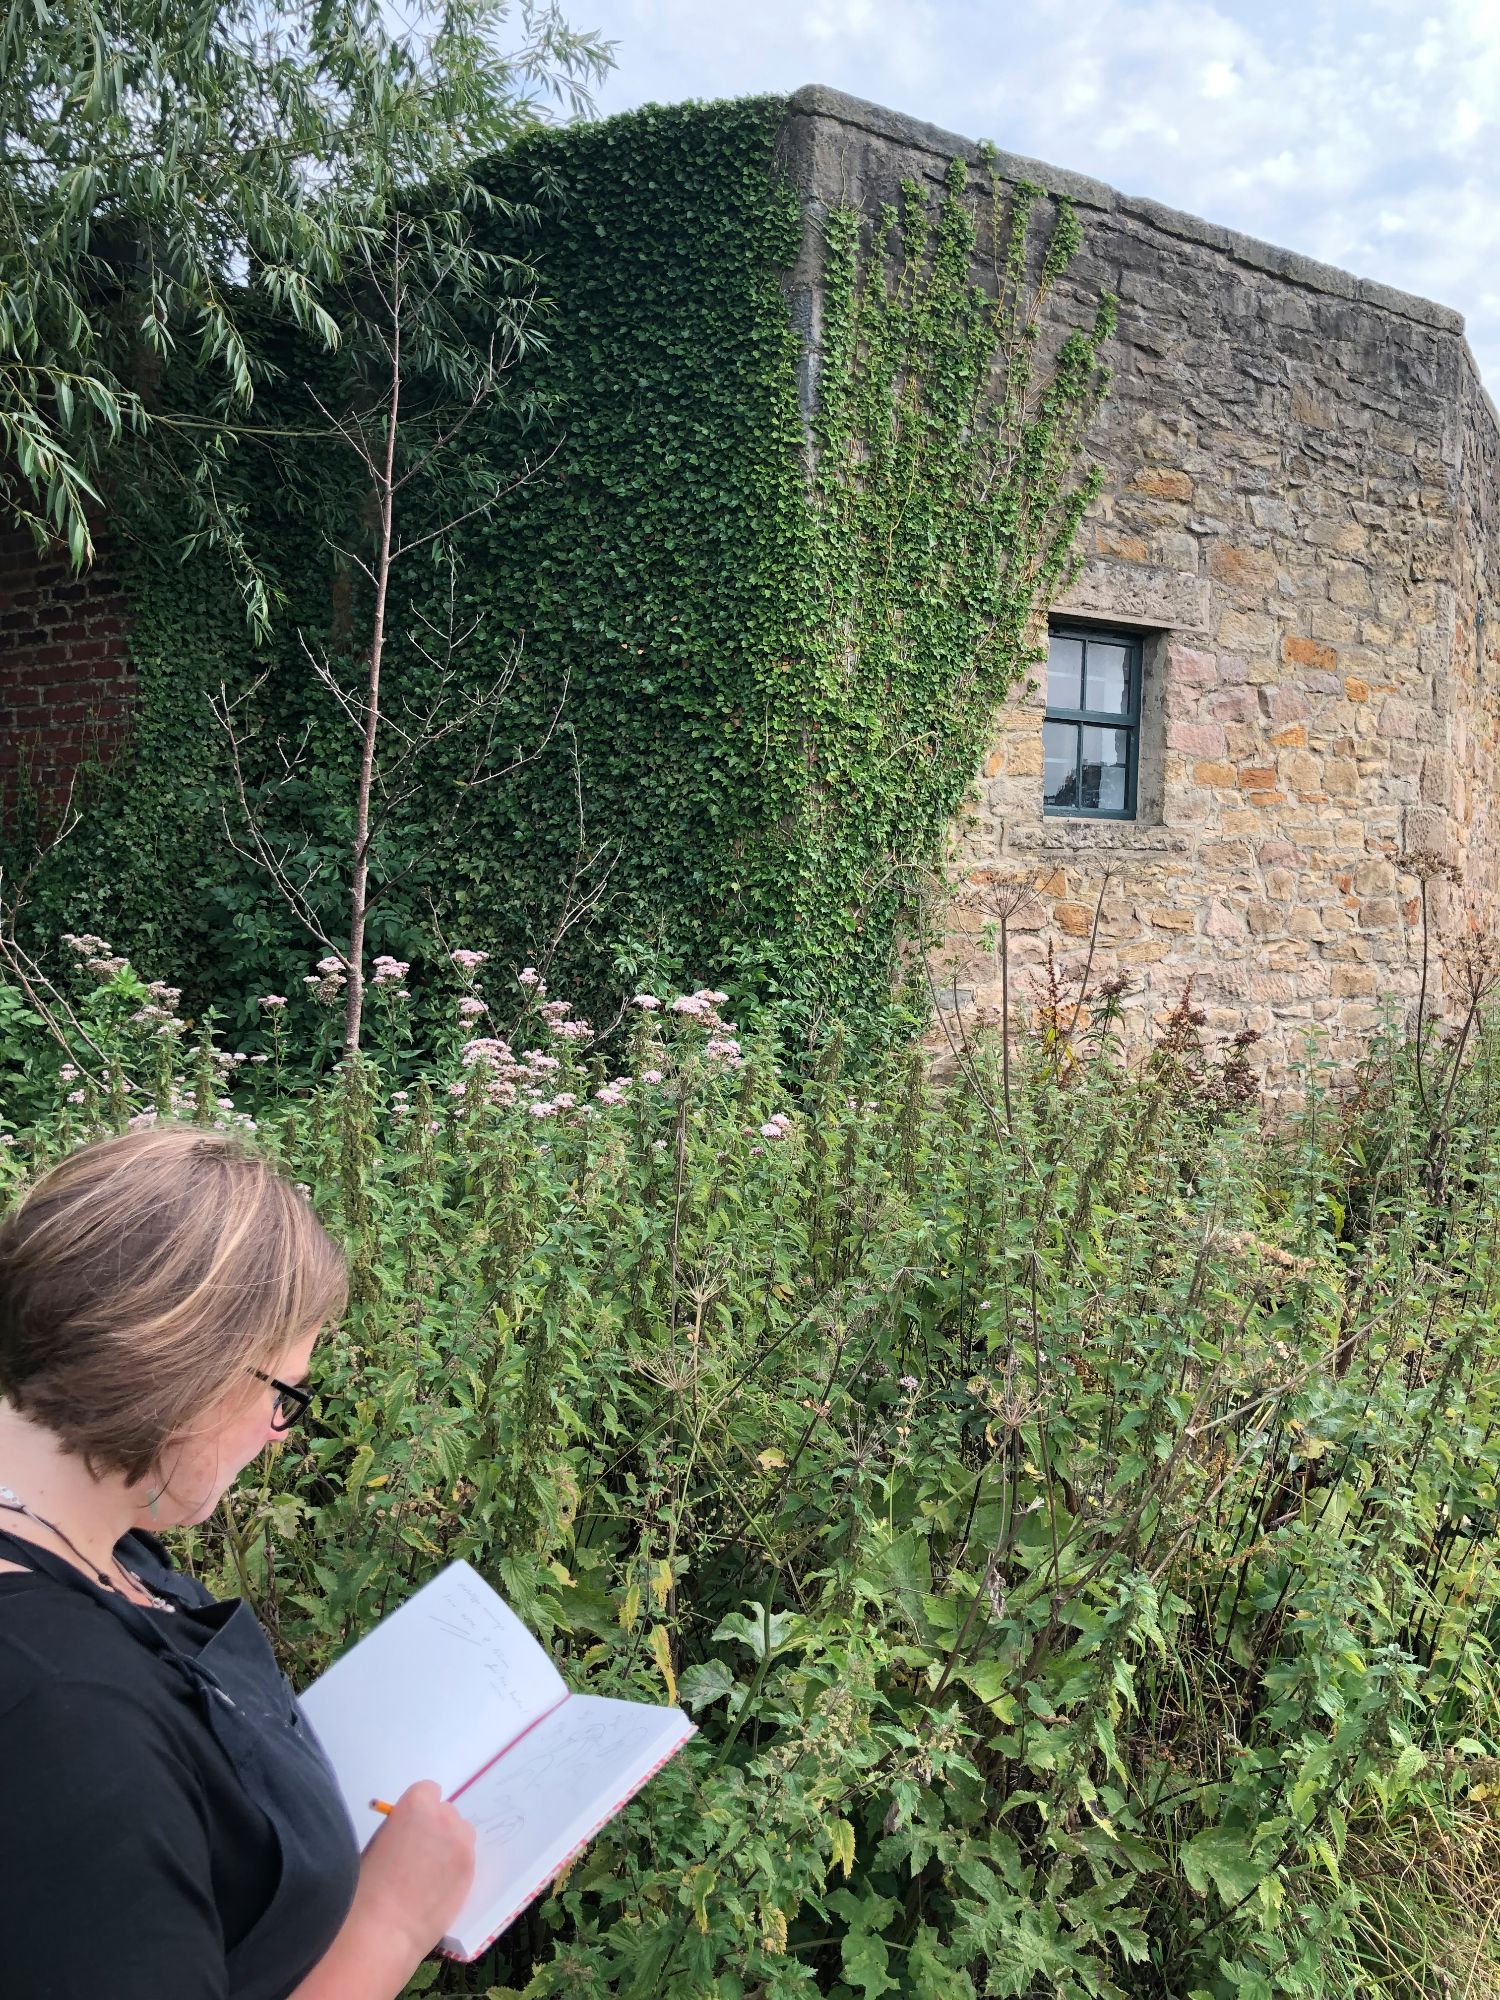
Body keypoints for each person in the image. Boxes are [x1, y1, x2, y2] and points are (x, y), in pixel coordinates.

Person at [0, 1123, 476, 1999]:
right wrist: (392, 1922)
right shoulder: (65, 1726)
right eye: (285, 1394)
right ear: (198, 1373)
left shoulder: (89, 1543)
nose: (281, 1437)